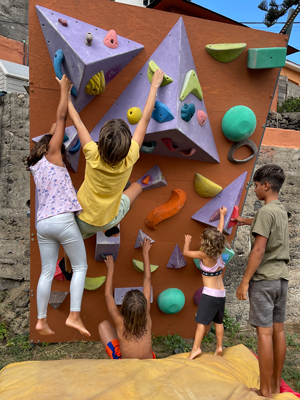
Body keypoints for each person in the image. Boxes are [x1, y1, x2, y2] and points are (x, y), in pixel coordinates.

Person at [25, 75, 90, 337]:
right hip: (62, 220)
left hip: (42, 224)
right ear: (52, 146)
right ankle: (74, 315)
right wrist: (63, 90)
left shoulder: (36, 165)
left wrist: (52, 131)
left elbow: (55, 126)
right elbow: (61, 117)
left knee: (47, 272)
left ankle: (41, 320)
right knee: (81, 267)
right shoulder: (54, 154)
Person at [67, 69, 165, 240]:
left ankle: (67, 266)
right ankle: (113, 226)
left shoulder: (92, 153)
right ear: (127, 146)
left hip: (81, 219)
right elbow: (145, 119)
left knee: (72, 246)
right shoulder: (131, 155)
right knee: (137, 187)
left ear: (101, 142)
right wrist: (154, 85)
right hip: (108, 220)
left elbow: (76, 120)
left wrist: (65, 93)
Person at [235, 164, 289, 398]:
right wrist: (242, 220)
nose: (255, 189)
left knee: (264, 334)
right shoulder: (278, 210)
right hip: (281, 281)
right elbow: (261, 221)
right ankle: (276, 384)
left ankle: (265, 390)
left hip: (264, 280)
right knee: (278, 332)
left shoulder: (265, 213)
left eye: (256, 186)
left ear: (266, 185)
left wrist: (244, 281)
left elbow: (258, 250)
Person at [98, 238, 156, 359]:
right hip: (150, 363)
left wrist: (111, 268)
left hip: (126, 366)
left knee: (103, 325)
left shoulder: (120, 321)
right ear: (144, 305)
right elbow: (148, 279)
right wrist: (145, 253)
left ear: (124, 307)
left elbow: (108, 295)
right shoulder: (147, 314)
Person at [183, 207, 227, 359]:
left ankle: (196, 348)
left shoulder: (204, 254)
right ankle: (220, 346)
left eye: (202, 239)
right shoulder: (219, 250)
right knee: (218, 321)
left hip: (209, 294)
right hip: (221, 293)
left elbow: (186, 253)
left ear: (207, 243)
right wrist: (222, 215)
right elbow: (219, 231)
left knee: (202, 322)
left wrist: (187, 242)